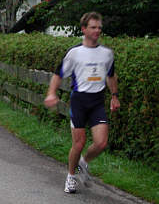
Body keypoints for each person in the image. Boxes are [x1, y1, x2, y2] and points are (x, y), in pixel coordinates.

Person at [44, 12, 120, 194]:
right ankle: (71, 176)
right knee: (78, 143)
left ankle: (83, 163)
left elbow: (111, 75)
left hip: (97, 101)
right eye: (93, 27)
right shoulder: (74, 53)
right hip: (79, 101)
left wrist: (115, 96)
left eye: (99, 27)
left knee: (101, 143)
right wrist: (51, 93)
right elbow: (58, 74)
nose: (97, 31)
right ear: (84, 29)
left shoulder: (106, 54)